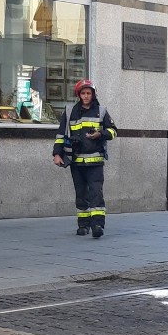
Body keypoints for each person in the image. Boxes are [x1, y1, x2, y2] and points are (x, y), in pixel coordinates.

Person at [52, 79, 116, 238]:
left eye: (89, 93)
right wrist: (57, 154)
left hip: (95, 162)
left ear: (93, 95)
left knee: (96, 193)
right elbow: (61, 136)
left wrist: (101, 134)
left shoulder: (101, 111)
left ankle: (97, 225)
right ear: (78, 95)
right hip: (76, 161)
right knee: (81, 194)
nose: (86, 96)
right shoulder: (69, 112)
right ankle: (83, 225)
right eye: (83, 93)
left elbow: (113, 131)